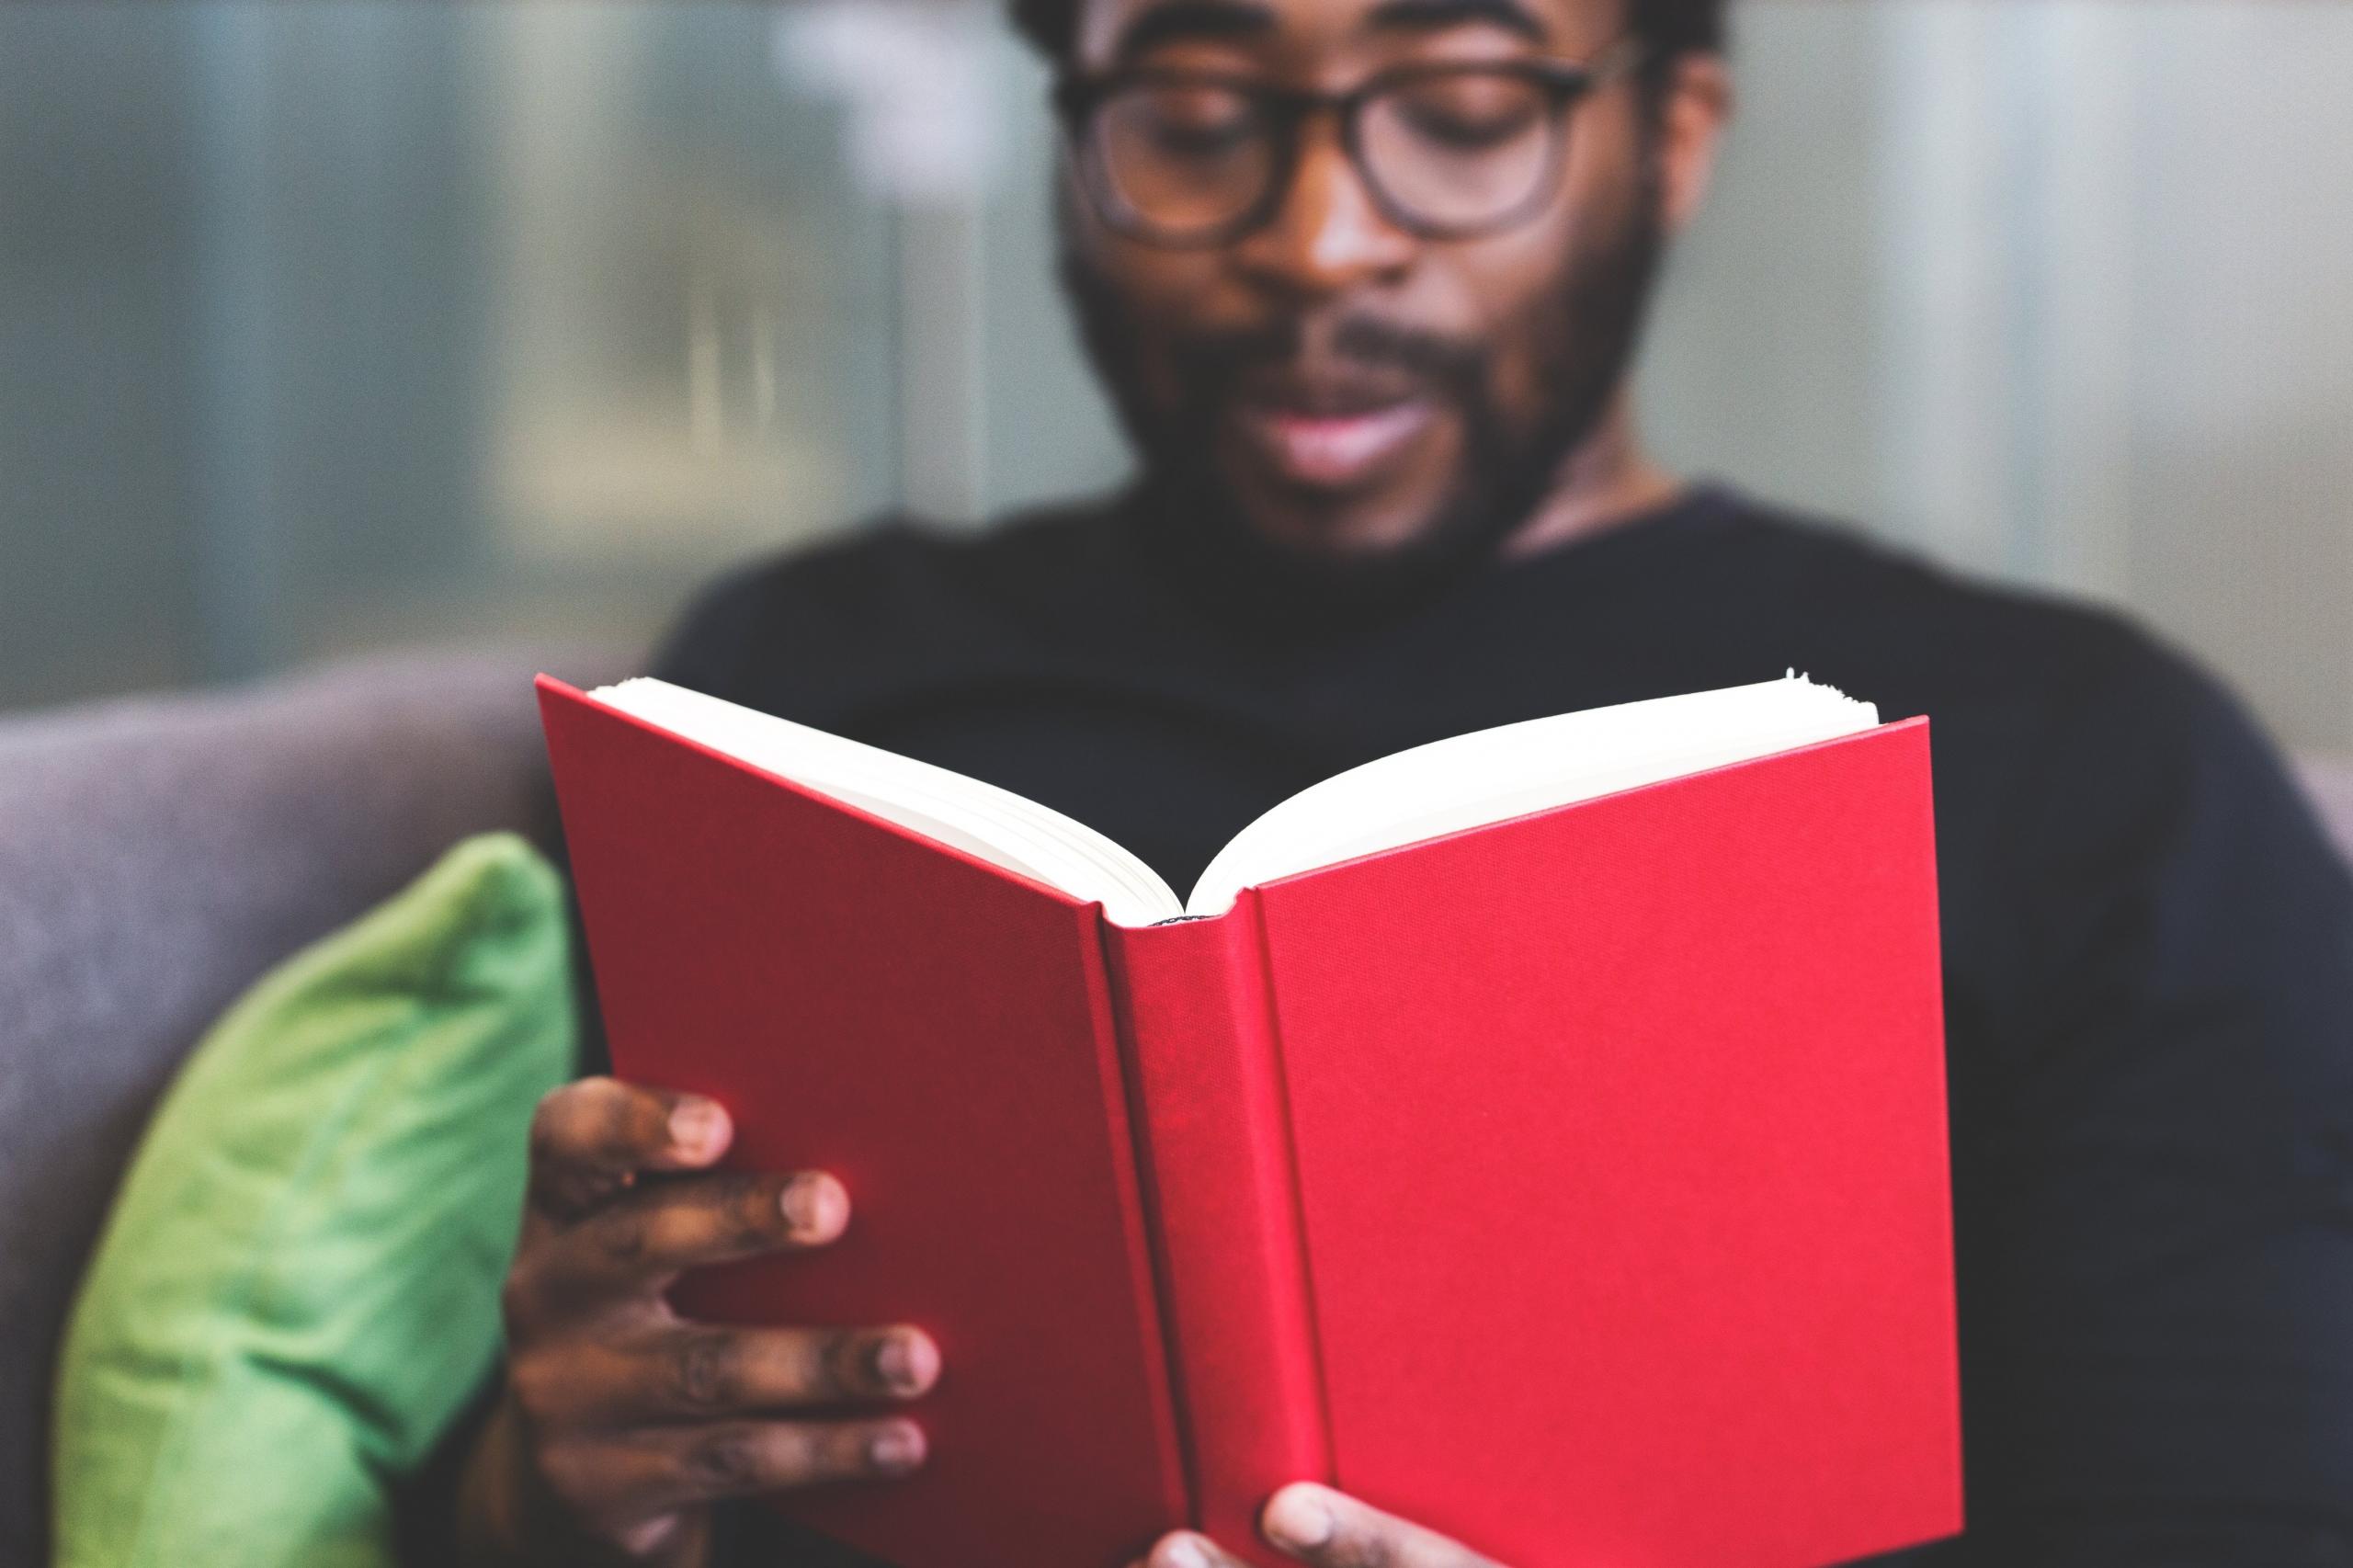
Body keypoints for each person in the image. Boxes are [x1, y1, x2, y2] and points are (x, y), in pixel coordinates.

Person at [444, 0, 2353, 1562]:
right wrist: (563, 1496)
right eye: (1190, 114)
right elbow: (543, 1438)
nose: (1316, 240)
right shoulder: (783, 696)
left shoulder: (2093, 765)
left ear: (1670, 138)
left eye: (1457, 109)